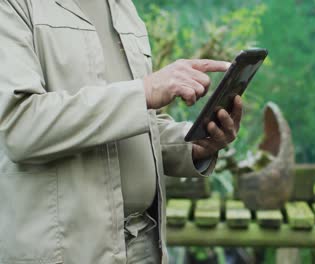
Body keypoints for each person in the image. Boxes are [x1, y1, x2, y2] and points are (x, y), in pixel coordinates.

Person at [0, 1, 242, 263]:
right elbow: (21, 127)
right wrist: (144, 92)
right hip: (68, 253)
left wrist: (191, 145)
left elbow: (128, 120)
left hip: (145, 244)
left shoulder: (122, 6)